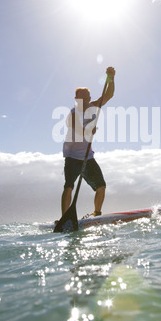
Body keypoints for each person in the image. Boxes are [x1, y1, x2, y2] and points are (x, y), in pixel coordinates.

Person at [61, 66, 115, 217]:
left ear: (89, 99)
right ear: (75, 99)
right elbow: (77, 130)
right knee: (69, 187)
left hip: (88, 157)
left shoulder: (93, 107)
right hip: (72, 157)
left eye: (85, 98)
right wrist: (87, 131)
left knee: (101, 186)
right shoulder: (72, 114)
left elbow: (108, 94)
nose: (83, 100)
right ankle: (64, 217)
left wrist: (111, 78)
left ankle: (96, 214)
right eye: (80, 98)